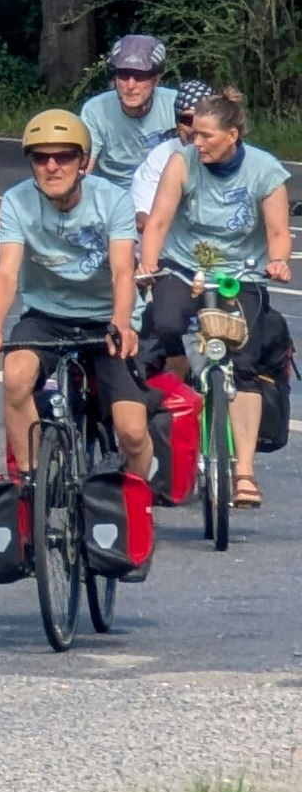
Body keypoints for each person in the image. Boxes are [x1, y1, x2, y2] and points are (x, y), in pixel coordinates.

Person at [0, 111, 150, 487]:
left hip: (106, 315)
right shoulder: (16, 202)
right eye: (40, 157)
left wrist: (121, 322)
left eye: (63, 156)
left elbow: (121, 271)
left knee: (131, 431)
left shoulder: (112, 201)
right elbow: (6, 272)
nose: (52, 166)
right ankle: (31, 485)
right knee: (15, 377)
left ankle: (135, 498)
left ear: (83, 161)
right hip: (47, 314)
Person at [139, 90, 292, 508]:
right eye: (194, 134)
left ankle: (244, 472)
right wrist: (147, 267)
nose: (197, 142)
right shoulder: (182, 162)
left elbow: (278, 232)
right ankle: (184, 400)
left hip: (238, 276)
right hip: (184, 267)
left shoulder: (265, 171)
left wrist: (278, 262)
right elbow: (158, 222)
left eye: (206, 135)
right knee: (166, 325)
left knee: (243, 364)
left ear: (232, 135)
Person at [80, 34, 180, 189]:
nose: (130, 85)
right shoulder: (95, 110)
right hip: (113, 193)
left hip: (164, 190)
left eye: (140, 76)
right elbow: (84, 167)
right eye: (124, 75)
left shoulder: (175, 104)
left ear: (157, 79)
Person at [130, 79, 210, 226]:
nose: (194, 128)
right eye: (187, 120)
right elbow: (143, 211)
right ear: (177, 123)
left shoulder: (233, 155)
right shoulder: (162, 154)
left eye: (201, 120)